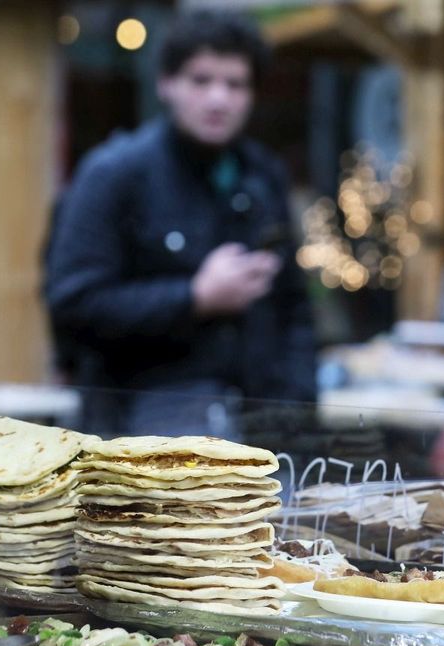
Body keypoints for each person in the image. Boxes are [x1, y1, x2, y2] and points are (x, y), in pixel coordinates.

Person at [45, 10, 315, 436]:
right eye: (201, 80)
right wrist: (193, 297)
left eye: (235, 84)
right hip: (139, 436)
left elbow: (294, 308)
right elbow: (73, 302)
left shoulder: (264, 176)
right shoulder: (115, 174)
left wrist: (300, 408)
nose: (218, 99)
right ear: (166, 84)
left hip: (260, 424)